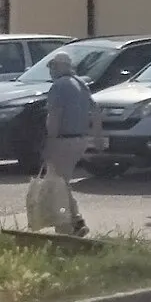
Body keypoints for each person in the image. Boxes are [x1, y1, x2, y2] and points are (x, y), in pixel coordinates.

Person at [41, 50, 99, 236]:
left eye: (52, 67)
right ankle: (76, 220)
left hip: (63, 140)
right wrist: (97, 137)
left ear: (60, 67)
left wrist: (50, 143)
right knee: (61, 183)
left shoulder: (58, 86)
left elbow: (54, 116)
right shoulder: (81, 84)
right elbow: (96, 112)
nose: (50, 71)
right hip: (80, 138)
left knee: (56, 184)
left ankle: (68, 226)